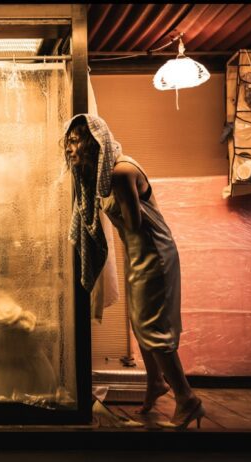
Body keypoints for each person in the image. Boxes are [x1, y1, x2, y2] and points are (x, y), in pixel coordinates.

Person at [64, 113, 204, 430]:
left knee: (153, 327)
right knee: (139, 322)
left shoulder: (120, 172)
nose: (70, 149)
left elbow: (134, 223)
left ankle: (187, 400)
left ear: (92, 142)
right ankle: (156, 383)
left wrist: (100, 199)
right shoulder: (106, 173)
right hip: (139, 253)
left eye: (75, 142)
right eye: (68, 143)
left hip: (154, 253)